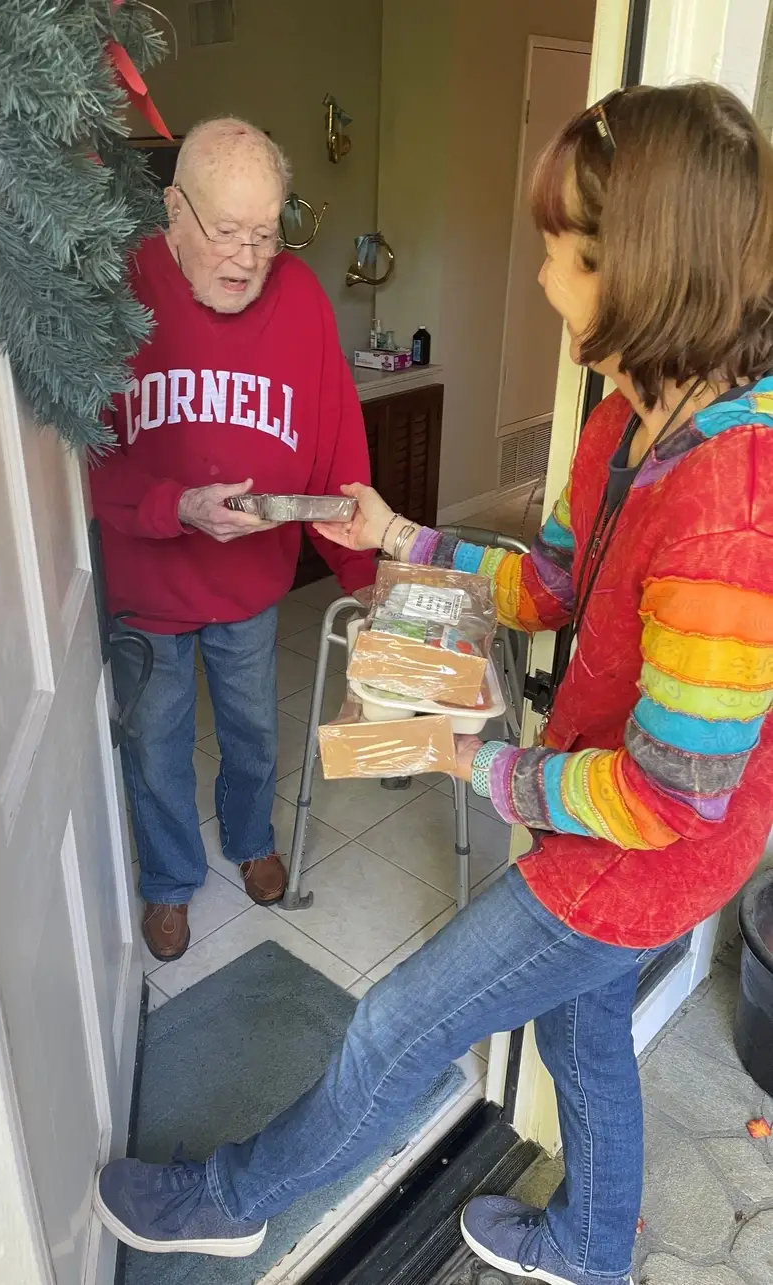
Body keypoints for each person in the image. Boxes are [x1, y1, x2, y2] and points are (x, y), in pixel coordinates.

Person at [93, 83, 773, 1284]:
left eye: (559, 251)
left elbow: (671, 800)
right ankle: (592, 1245)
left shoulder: (733, 513)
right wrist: (404, 533)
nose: (544, 277)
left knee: (399, 1022)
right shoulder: (627, 422)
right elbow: (556, 584)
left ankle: (232, 1198)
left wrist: (481, 763)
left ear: (636, 269)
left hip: (632, 859)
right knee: (583, 1025)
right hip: (602, 815)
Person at [90, 118, 376, 961]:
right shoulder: (118, 290)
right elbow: (81, 460)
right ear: (174, 211)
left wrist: (367, 581)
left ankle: (251, 838)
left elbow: (337, 456)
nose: (249, 257)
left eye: (265, 233)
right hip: (149, 585)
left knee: (253, 728)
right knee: (157, 740)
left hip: (251, 583)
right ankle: (171, 883)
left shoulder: (301, 299)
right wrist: (175, 507)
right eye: (226, 231)